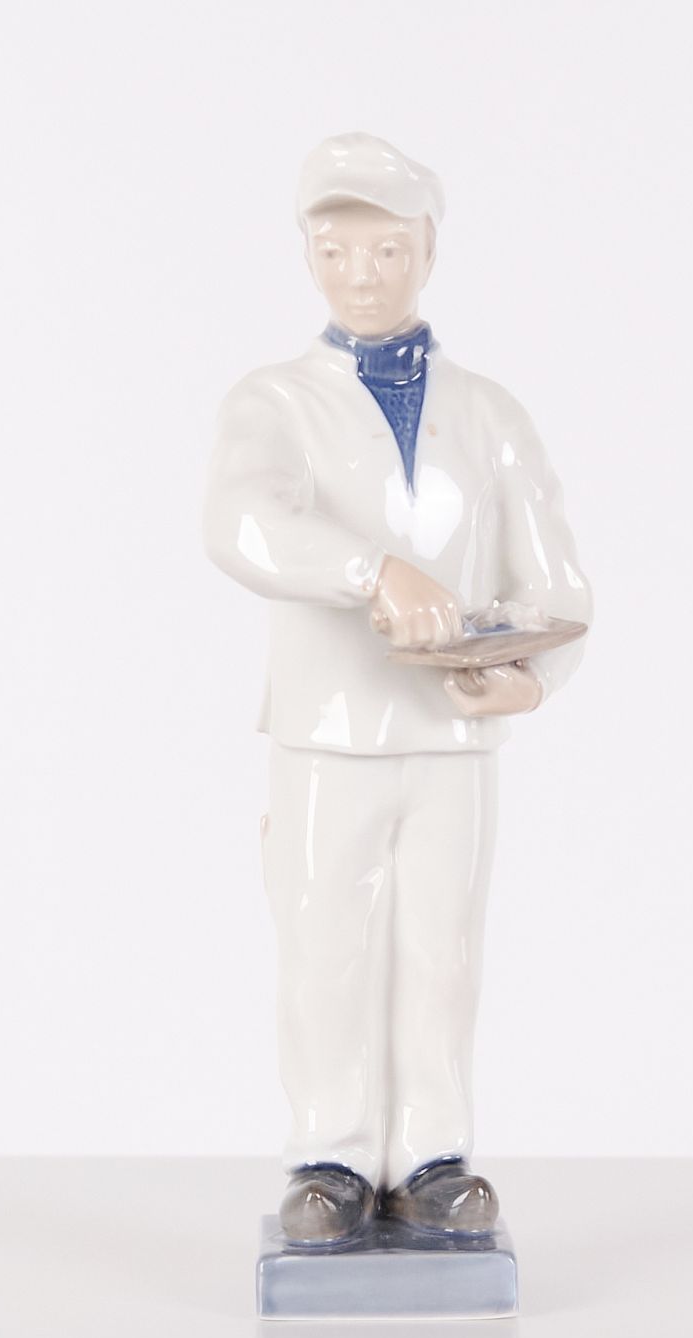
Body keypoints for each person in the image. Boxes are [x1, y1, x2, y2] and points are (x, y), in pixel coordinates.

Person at [204, 133, 592, 1244]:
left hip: (451, 738)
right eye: (336, 251)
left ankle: (431, 1154)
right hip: (328, 732)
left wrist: (531, 678)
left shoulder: (490, 415)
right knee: (326, 941)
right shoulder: (274, 403)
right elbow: (242, 523)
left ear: (428, 250)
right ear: (307, 258)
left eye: (385, 249)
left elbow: (557, 583)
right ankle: (329, 1154)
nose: (361, 274)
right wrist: (373, 570)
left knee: (442, 947)